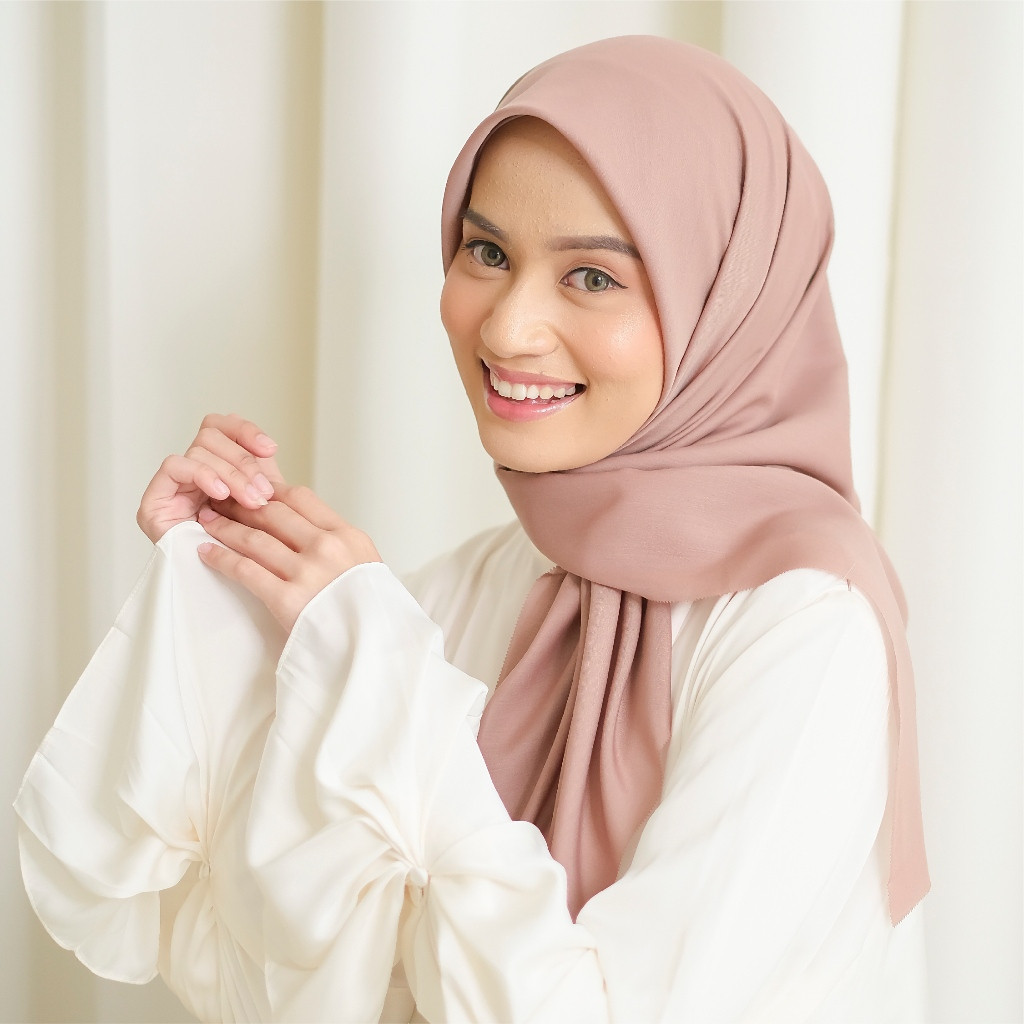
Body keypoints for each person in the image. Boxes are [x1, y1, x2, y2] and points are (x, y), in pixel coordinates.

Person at [16, 36, 929, 1022]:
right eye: (487, 253)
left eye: (592, 276)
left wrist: (375, 668)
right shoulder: (489, 582)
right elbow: (268, 971)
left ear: (726, 303)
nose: (505, 328)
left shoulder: (806, 630)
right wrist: (228, 592)